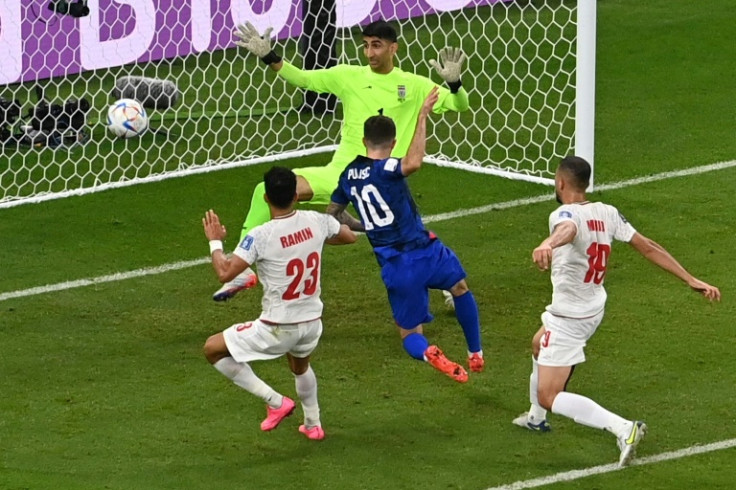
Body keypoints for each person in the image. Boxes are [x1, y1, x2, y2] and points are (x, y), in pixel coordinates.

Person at [213, 19, 469, 301]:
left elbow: (459, 105)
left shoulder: (415, 85)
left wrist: (455, 84)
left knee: (403, 241)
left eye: (377, 46)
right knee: (265, 190)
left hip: (383, 180)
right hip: (340, 174)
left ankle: (446, 282)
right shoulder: (348, 76)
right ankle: (240, 269)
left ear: (393, 48)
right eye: (366, 46)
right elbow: (304, 79)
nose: (370, 53)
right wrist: (269, 56)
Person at [512, 156, 721, 466]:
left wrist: (547, 242)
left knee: (549, 394)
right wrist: (689, 278)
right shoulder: (608, 213)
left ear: (560, 183)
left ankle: (624, 428)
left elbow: (567, 228)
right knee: (537, 342)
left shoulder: (563, 214)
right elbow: (647, 245)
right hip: (593, 306)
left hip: (569, 317)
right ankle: (536, 418)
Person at [326, 88, 483, 382]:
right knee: (460, 287)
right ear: (393, 142)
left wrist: (364, 226)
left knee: (410, 334)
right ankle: (476, 352)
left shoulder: (348, 174)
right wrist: (422, 115)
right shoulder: (387, 167)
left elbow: (332, 215)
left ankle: (428, 353)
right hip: (427, 251)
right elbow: (412, 163)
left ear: (363, 141)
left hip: (396, 265)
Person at [202, 166, 357, 440]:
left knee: (213, 349)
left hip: (277, 326)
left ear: (266, 199)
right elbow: (348, 236)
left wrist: (215, 242)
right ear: (296, 195)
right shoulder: (316, 221)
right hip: (311, 323)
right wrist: (314, 239)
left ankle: (275, 402)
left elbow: (225, 272)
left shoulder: (261, 236)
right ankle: (313, 424)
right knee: (300, 367)